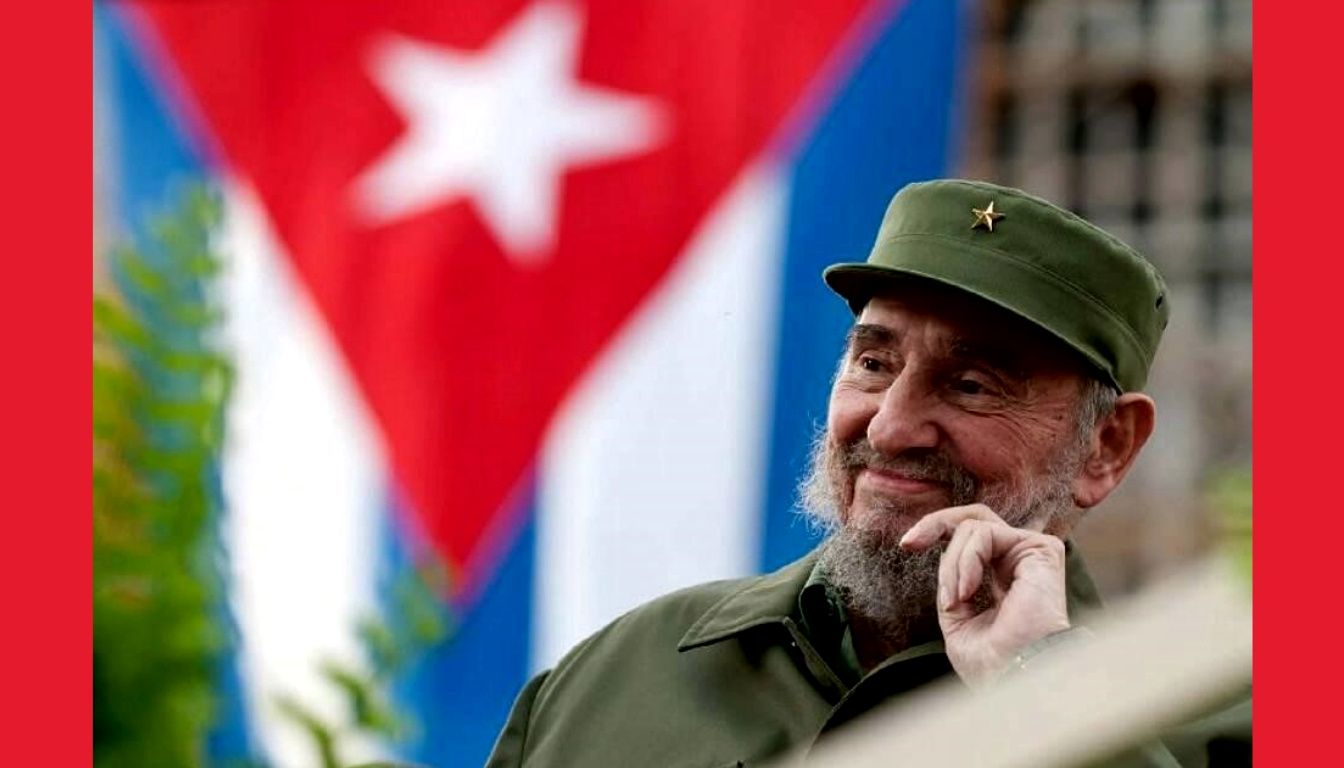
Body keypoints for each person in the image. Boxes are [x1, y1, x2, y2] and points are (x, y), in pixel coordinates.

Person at [484, 179, 1250, 767]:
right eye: (874, 363)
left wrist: (1044, 684)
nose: (889, 427)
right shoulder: (613, 678)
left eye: (971, 385)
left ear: (1106, 447)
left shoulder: (1213, 720)